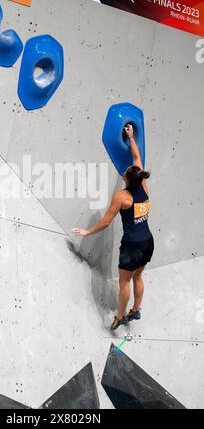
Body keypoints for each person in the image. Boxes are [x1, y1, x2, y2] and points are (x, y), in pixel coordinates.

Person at [72, 124, 154, 330]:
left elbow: (107, 221)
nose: (126, 169)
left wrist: (87, 231)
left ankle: (119, 316)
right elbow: (137, 159)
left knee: (124, 283)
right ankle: (136, 310)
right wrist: (132, 138)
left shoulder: (122, 197)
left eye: (126, 172)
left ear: (126, 179)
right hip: (147, 242)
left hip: (132, 247)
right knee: (138, 277)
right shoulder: (144, 186)